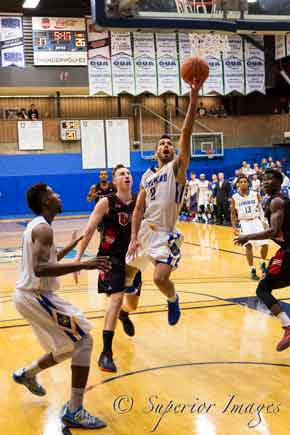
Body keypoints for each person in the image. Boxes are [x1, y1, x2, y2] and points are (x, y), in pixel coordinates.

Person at [12, 183, 111, 429]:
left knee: (70, 347)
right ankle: (75, 410)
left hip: (32, 296)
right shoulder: (43, 229)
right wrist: (85, 265)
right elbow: (40, 268)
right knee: (84, 342)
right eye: (54, 193)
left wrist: (70, 248)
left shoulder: (40, 227)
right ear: (46, 202)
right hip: (36, 296)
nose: (59, 195)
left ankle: (27, 374)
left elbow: (48, 261)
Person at [126, 79, 204, 326]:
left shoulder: (177, 169)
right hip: (144, 232)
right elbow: (138, 208)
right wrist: (133, 237)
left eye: (170, 144)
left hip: (165, 234)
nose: (166, 146)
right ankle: (125, 309)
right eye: (162, 144)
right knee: (125, 278)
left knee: (160, 279)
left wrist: (193, 99)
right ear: (155, 151)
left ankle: (172, 298)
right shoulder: (146, 176)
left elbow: (186, 133)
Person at [75, 164, 141, 373]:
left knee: (132, 303)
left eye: (129, 173)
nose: (127, 176)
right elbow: (89, 230)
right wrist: (78, 258)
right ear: (114, 181)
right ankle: (106, 354)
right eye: (122, 174)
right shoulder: (106, 202)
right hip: (109, 257)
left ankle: (124, 315)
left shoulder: (140, 200)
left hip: (133, 258)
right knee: (116, 298)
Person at [234, 169, 290, 352]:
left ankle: (288, 326)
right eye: (264, 179)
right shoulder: (273, 201)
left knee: (263, 288)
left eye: (270, 179)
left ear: (279, 183)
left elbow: (273, 231)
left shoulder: (277, 201)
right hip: (285, 248)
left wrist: (246, 236)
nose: (265, 182)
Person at [231, 174, 268, 280]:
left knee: (265, 244)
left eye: (245, 181)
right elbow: (233, 214)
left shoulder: (255, 194)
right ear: (238, 184)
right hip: (244, 223)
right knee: (248, 246)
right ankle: (252, 269)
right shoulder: (235, 197)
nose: (243, 183)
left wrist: (264, 221)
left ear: (248, 183)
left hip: (256, 220)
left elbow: (261, 208)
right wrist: (234, 228)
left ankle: (262, 262)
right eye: (241, 182)